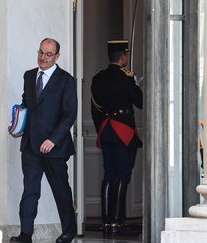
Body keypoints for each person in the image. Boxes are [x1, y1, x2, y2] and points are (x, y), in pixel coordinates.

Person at [10, 38, 77, 243]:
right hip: (31, 145)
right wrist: (17, 124)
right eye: (41, 52)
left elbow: (69, 115)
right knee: (30, 190)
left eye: (49, 54)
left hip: (54, 147)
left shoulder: (66, 80)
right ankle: (25, 235)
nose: (43, 57)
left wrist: (53, 140)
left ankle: (68, 232)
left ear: (57, 56)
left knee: (60, 190)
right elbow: (26, 104)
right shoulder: (29, 76)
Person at [90, 40, 143, 235]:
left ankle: (107, 222)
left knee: (109, 173)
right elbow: (140, 102)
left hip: (106, 130)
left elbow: (95, 109)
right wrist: (135, 83)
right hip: (123, 131)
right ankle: (117, 221)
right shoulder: (127, 77)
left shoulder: (98, 78)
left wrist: (102, 129)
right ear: (123, 56)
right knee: (122, 174)